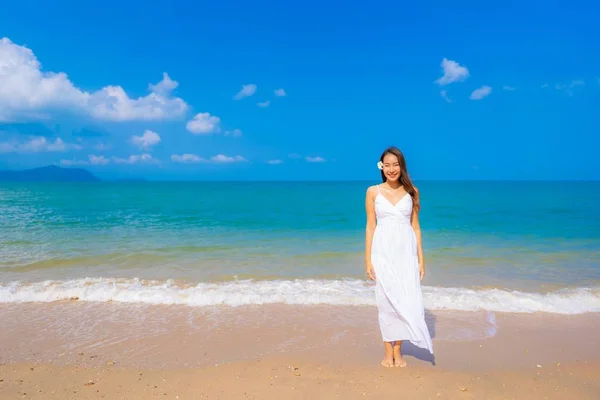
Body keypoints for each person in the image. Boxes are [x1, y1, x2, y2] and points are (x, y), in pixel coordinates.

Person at [364, 146, 433, 368]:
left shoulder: (412, 191)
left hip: (406, 252)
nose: (391, 169)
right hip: (382, 251)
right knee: (385, 301)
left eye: (395, 164)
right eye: (387, 165)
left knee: (405, 299)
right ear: (381, 167)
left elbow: (416, 227)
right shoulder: (372, 191)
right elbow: (370, 226)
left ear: (401, 166)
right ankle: (387, 351)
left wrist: (421, 259)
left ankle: (398, 350)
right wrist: (367, 259)